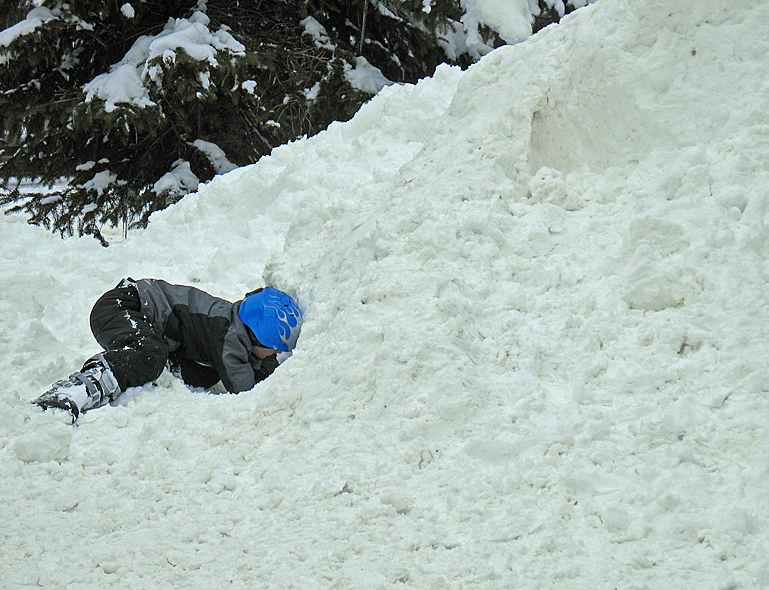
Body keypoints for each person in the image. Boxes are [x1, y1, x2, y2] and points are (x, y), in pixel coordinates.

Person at [33, 278, 303, 422]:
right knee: (147, 354)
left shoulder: (233, 325)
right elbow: (246, 388)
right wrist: (275, 371)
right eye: (274, 349)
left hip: (137, 312)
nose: (275, 354)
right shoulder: (227, 336)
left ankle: (161, 369)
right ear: (256, 336)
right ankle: (77, 390)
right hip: (123, 306)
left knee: (203, 374)